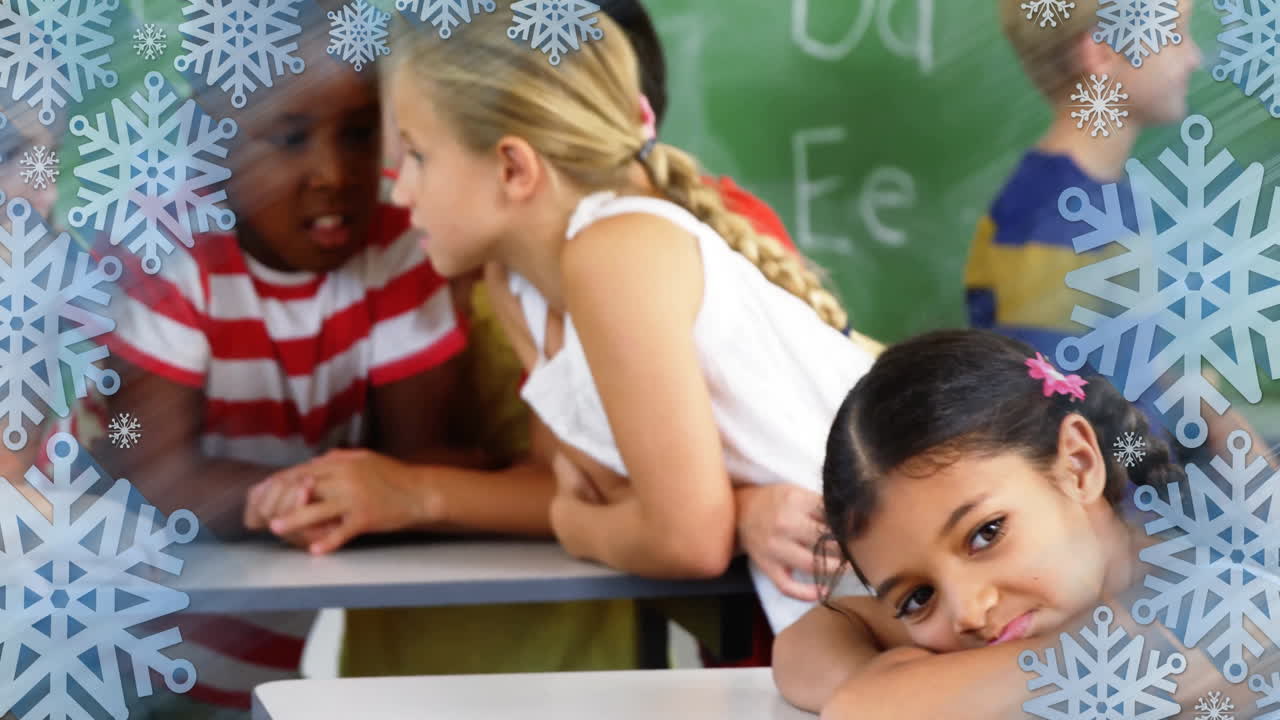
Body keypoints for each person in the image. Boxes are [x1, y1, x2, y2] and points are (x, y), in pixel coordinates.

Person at [375, 8, 877, 633]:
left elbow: (681, 539)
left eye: (417, 156)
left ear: (513, 168)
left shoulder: (616, 253)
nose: (400, 192)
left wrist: (572, 525)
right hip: (835, 599)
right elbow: (619, 495)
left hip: (918, 569)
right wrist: (708, 512)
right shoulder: (516, 290)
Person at [99, 5, 472, 714]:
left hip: (258, 666)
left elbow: (428, 461)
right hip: (109, 662)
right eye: (290, 138)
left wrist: (390, 488)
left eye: (359, 133)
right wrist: (352, 492)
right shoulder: (162, 246)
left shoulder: (400, 245)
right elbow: (154, 481)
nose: (333, 173)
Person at [772, 329, 1258, 717]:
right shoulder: (1018, 615)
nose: (968, 612)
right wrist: (905, 678)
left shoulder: (1223, 608)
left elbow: (862, 708)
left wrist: (920, 688)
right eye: (918, 598)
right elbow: (806, 646)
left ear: (1078, 465)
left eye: (986, 533)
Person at [961, 0, 1269, 464]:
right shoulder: (1050, 225)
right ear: (1102, 53)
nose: (1194, 57)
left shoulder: (1105, 196)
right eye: (1176, 36)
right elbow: (1053, 428)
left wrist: (1228, 430)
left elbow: (1140, 362)